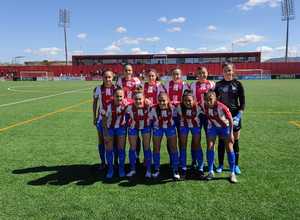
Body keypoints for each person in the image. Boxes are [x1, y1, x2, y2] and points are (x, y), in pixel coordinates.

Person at [215, 63, 245, 175]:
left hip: (235, 116)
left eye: (229, 70)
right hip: (222, 117)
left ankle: (235, 165)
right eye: (225, 70)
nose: (228, 72)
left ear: (233, 71)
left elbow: (242, 102)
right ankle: (221, 165)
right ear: (222, 72)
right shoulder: (218, 85)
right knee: (222, 141)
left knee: (235, 141)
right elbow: (215, 100)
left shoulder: (238, 84)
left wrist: (238, 116)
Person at [204, 90, 237, 183]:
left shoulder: (222, 107)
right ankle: (210, 171)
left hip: (224, 127)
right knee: (210, 146)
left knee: (229, 148)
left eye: (210, 99)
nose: (208, 101)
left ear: (216, 99)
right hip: (213, 127)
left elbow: (230, 119)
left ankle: (232, 173)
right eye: (206, 99)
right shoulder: (204, 105)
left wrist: (231, 134)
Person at [150, 92, 180, 180]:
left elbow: (178, 117)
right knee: (156, 148)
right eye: (160, 101)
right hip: (158, 128)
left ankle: (175, 169)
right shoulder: (153, 108)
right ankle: (156, 168)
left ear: (168, 100)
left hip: (170, 128)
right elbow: (151, 120)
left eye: (164, 100)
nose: (162, 103)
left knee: (174, 148)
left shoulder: (173, 107)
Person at [190, 66, 215, 168]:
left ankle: (211, 161)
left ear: (207, 73)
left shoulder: (212, 84)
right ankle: (194, 160)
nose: (202, 75)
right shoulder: (192, 85)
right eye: (199, 73)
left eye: (204, 73)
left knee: (210, 139)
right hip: (197, 116)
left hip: (210, 116)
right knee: (195, 139)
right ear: (196, 74)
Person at [176, 90, 204, 179]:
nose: (187, 102)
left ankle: (200, 168)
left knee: (197, 145)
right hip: (183, 126)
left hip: (195, 126)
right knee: (183, 146)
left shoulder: (199, 106)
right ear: (182, 101)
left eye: (189, 100)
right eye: (185, 101)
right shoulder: (178, 107)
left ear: (194, 100)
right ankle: (183, 168)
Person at [102, 88, 129, 179]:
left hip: (121, 128)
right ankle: (110, 169)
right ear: (113, 96)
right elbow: (104, 119)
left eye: (121, 96)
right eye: (117, 96)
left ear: (124, 97)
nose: (119, 98)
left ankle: (121, 169)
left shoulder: (126, 103)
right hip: (110, 129)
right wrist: (105, 133)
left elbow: (138, 101)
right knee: (109, 149)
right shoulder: (107, 104)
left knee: (121, 149)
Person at [92, 70, 115, 170]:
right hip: (101, 120)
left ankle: (115, 163)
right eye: (105, 77)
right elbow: (95, 103)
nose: (107, 79)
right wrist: (94, 117)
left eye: (109, 77)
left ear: (113, 77)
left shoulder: (117, 88)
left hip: (114, 119)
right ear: (102, 78)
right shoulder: (98, 89)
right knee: (101, 141)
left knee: (114, 142)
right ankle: (103, 162)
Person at [126, 92, 152, 178]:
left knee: (146, 147)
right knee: (132, 147)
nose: (138, 101)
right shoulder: (129, 107)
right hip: (133, 126)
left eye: (140, 99)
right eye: (136, 99)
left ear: (144, 99)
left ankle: (148, 170)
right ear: (133, 100)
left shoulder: (149, 106)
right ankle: (132, 169)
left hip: (146, 126)